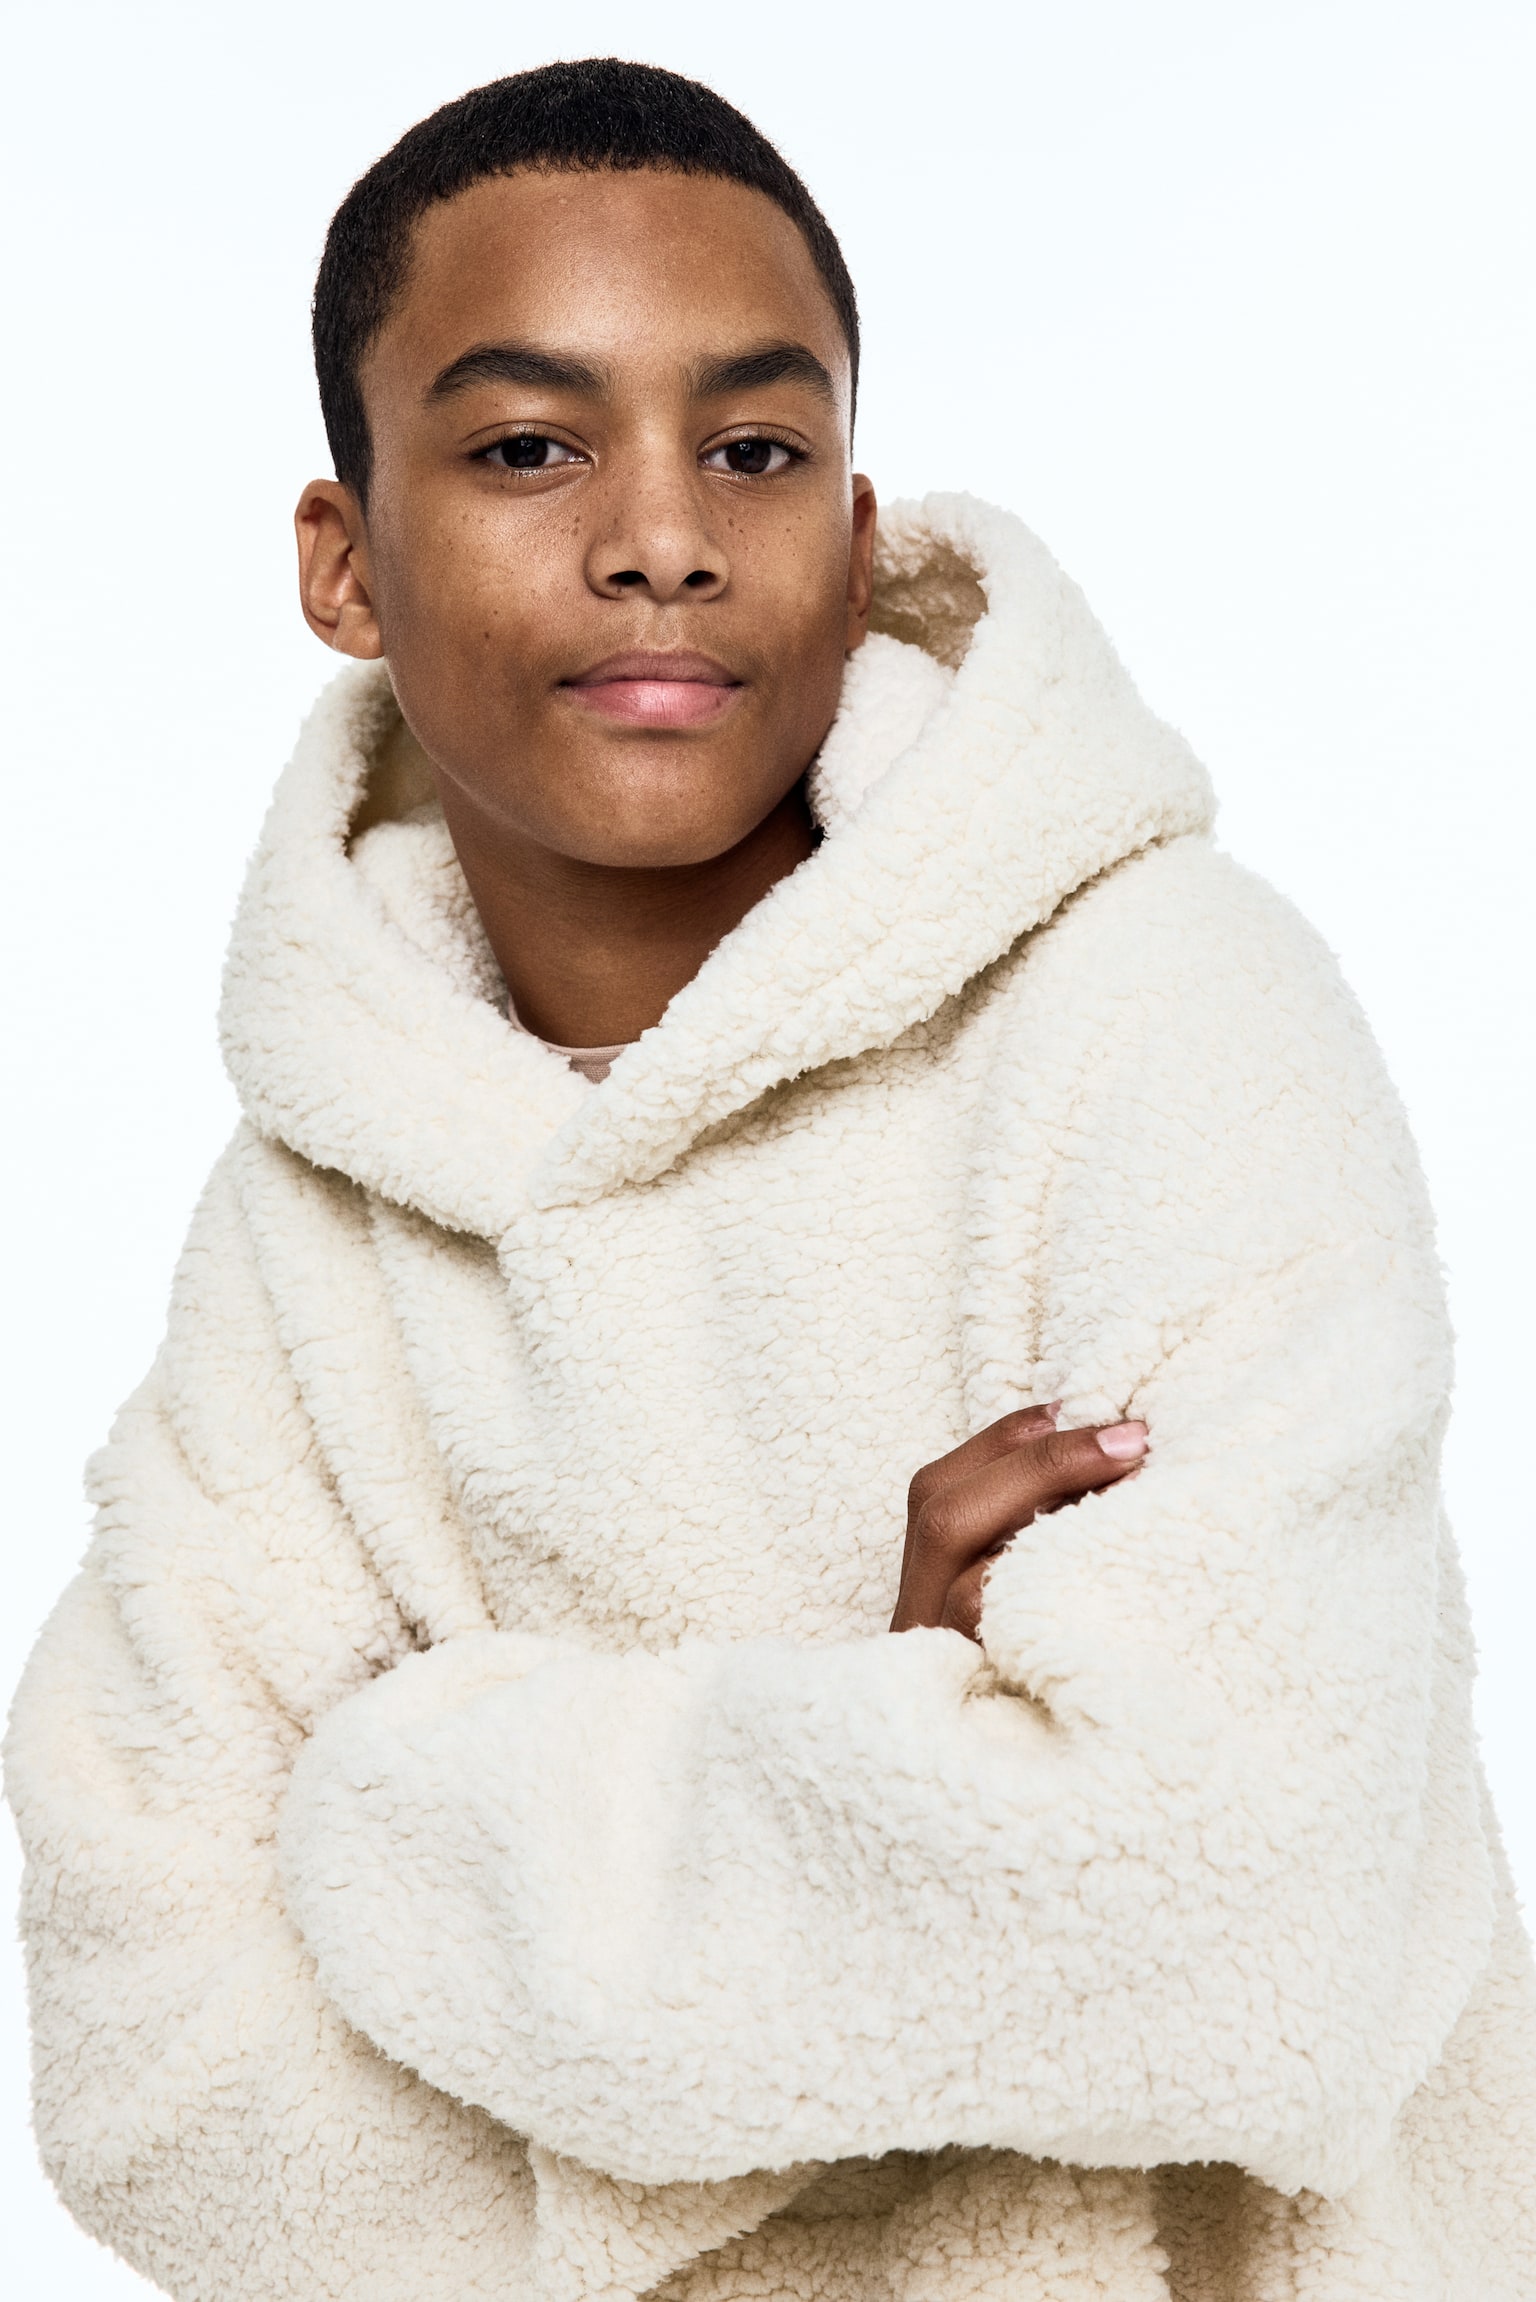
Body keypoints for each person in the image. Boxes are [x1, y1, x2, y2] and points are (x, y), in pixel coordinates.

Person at [7, 54, 1535, 2302]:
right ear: (344, 562)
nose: (665, 538)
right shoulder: (300, 1224)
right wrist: (895, 1751)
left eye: (754, 448)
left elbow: (1235, 1924)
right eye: (528, 448)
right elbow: (155, 2072)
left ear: (854, 522)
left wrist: (389, 1802)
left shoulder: (1163, 1015)